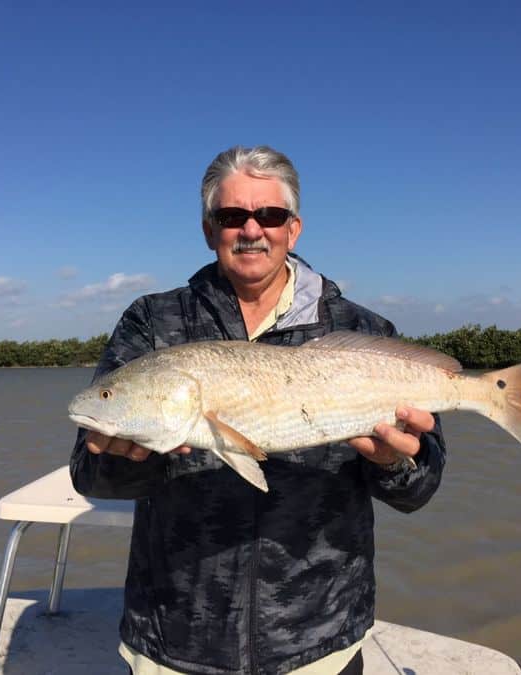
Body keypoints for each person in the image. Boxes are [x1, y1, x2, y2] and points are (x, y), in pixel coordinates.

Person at [70, 145, 446, 675]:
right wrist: (131, 456)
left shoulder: (361, 332)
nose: (252, 229)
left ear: (293, 229)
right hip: (174, 640)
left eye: (269, 215)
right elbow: (89, 474)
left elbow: (420, 489)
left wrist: (394, 461)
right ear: (209, 230)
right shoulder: (151, 323)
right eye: (232, 216)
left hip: (320, 641)